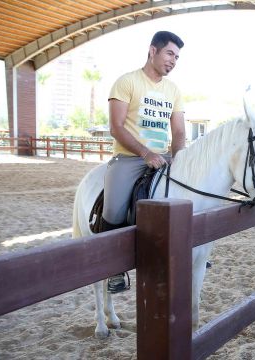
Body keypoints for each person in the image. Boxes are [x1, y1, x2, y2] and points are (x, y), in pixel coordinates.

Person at [100, 31, 186, 293]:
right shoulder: (127, 82)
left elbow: (180, 131)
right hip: (131, 157)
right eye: (170, 53)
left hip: (166, 156)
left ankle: (190, 250)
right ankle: (113, 269)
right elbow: (116, 127)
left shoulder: (173, 90)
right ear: (152, 51)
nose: (173, 61)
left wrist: (179, 157)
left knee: (192, 193)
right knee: (113, 208)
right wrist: (145, 153)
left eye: (177, 57)